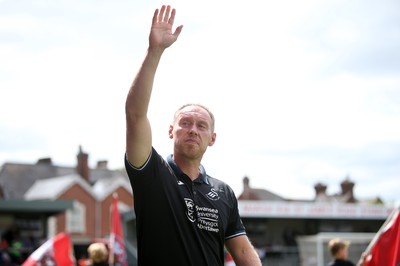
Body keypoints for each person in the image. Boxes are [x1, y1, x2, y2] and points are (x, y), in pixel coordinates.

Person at [124, 4, 261, 266]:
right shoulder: (152, 173)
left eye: (201, 126)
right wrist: (155, 51)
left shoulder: (224, 192)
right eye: (185, 123)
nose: (192, 130)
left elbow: (243, 253)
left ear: (212, 138)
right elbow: (135, 114)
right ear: (171, 131)